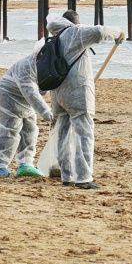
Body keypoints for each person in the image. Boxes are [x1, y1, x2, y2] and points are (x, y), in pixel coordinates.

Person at [46, 10, 125, 190]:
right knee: (84, 133)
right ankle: (83, 177)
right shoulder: (75, 32)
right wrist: (119, 32)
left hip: (58, 92)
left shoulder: (56, 36)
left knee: (63, 133)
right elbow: (100, 32)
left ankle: (66, 175)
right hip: (78, 92)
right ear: (76, 23)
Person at [0, 43, 54, 177]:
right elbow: (31, 93)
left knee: (30, 129)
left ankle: (26, 163)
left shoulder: (51, 66)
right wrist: (49, 115)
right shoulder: (26, 66)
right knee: (10, 129)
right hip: (7, 95)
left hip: (25, 100)